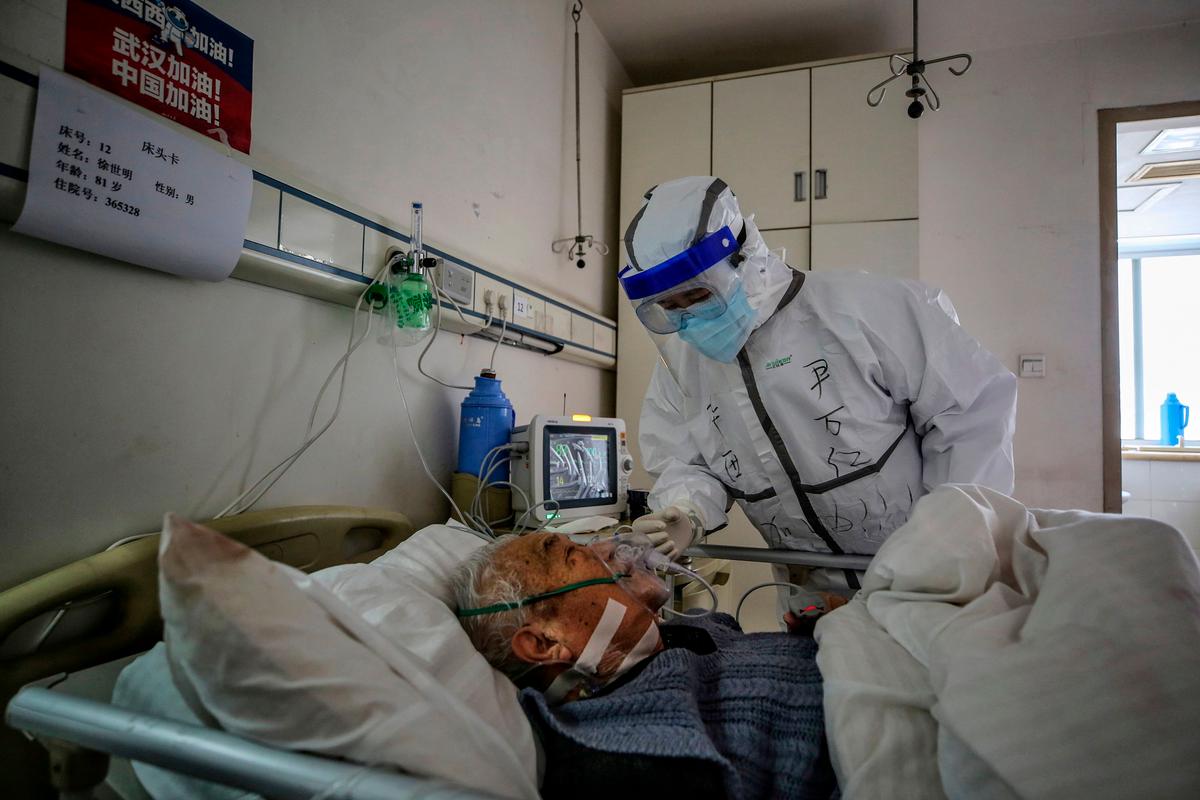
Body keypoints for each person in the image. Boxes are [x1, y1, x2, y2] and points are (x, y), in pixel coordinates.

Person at [620, 176, 1017, 603]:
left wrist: (951, 537)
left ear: (744, 257)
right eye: (670, 308)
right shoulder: (682, 366)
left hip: (924, 576)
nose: (689, 321)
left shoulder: (866, 309)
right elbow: (686, 460)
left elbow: (969, 414)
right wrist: (688, 510)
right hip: (808, 592)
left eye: (697, 296)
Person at [453, 531, 838, 799]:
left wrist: (826, 634)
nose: (607, 546)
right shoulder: (633, 757)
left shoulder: (685, 631)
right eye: (573, 556)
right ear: (545, 642)